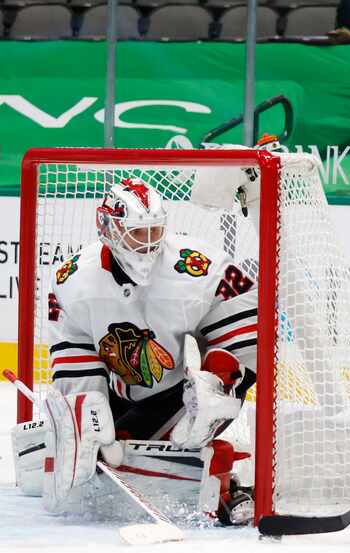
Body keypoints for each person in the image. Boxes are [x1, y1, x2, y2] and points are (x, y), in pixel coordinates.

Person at [10, 143, 269, 525]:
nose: (147, 243)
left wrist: (219, 377)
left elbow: (245, 309)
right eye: (136, 234)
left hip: (181, 392)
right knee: (96, 443)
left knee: (173, 428)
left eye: (153, 232)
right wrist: (86, 416)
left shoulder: (195, 265)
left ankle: (213, 461)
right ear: (110, 231)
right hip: (118, 389)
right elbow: (71, 348)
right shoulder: (73, 280)